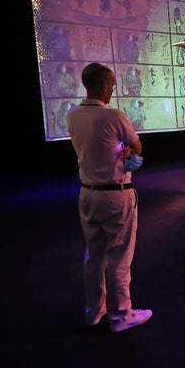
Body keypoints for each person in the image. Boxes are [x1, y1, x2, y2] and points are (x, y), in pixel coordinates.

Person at [67, 62, 152, 333]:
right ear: (104, 86)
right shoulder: (112, 115)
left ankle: (94, 312)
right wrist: (127, 149)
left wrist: (118, 150)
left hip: (87, 194)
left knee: (94, 257)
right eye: (113, 86)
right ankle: (121, 317)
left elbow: (100, 147)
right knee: (119, 258)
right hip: (115, 196)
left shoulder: (72, 114)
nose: (113, 91)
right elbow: (137, 145)